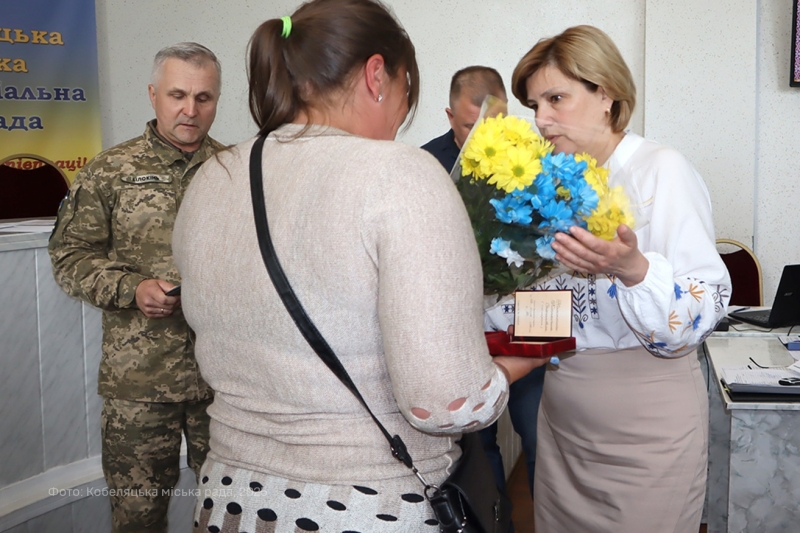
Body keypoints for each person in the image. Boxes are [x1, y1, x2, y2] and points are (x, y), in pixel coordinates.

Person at [171, 1, 545, 531]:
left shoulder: (215, 176)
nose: (399, 116)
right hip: (362, 504)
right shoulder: (400, 174)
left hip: (228, 500)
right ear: (377, 75)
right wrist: (510, 368)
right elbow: (445, 403)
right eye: (405, 92)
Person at [504, 25, 731, 532]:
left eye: (555, 99)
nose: (540, 119)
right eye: (534, 105)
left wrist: (632, 270)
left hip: (647, 429)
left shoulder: (661, 171)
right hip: (563, 422)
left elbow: (703, 304)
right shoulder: (549, 181)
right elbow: (551, 307)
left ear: (604, 94)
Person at [48, 42, 224, 533]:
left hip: (225, 381)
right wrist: (132, 287)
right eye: (178, 95)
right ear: (153, 95)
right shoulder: (109, 171)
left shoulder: (235, 171)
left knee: (230, 513)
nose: (191, 110)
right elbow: (68, 257)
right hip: (139, 382)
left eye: (205, 97)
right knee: (137, 516)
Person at [422, 66, 544, 500]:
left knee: (538, 436)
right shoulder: (425, 166)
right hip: (461, 323)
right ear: (449, 115)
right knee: (478, 443)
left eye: (493, 126)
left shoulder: (531, 160)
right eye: (470, 126)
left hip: (526, 317)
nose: (482, 139)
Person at [421, 65, 508, 172]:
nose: (484, 137)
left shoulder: (525, 154)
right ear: (451, 117)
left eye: (494, 125)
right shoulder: (424, 163)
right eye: (472, 127)